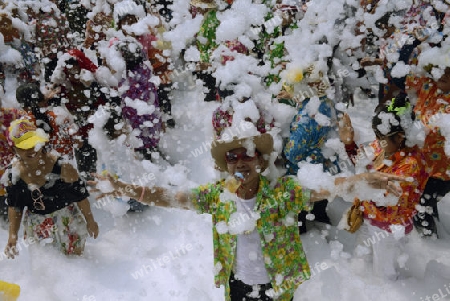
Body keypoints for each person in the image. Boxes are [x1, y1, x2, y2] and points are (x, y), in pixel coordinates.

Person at [91, 131, 405, 300]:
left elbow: (323, 188)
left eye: (248, 155)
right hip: (237, 284)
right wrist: (127, 189)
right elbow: (173, 197)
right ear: (225, 165)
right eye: (233, 157)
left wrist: (361, 181)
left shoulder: (282, 192)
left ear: (259, 161)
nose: (240, 162)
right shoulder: (218, 197)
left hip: (278, 284)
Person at [339, 94, 430, 280]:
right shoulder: (383, 145)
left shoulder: (411, 165)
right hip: (369, 217)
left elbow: (391, 206)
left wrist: (360, 186)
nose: (377, 141)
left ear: (400, 136)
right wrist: (349, 144)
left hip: (387, 230)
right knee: (362, 260)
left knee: (385, 275)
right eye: (376, 136)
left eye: (381, 137)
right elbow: (361, 163)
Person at [3, 119, 99, 258]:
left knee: (75, 261)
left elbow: (81, 197)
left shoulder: (63, 167)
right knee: (46, 262)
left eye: (33, 144)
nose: (30, 150)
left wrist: (91, 221)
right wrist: (12, 236)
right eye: (24, 147)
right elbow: (15, 207)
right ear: (14, 149)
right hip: (37, 224)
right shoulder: (14, 175)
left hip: (66, 220)